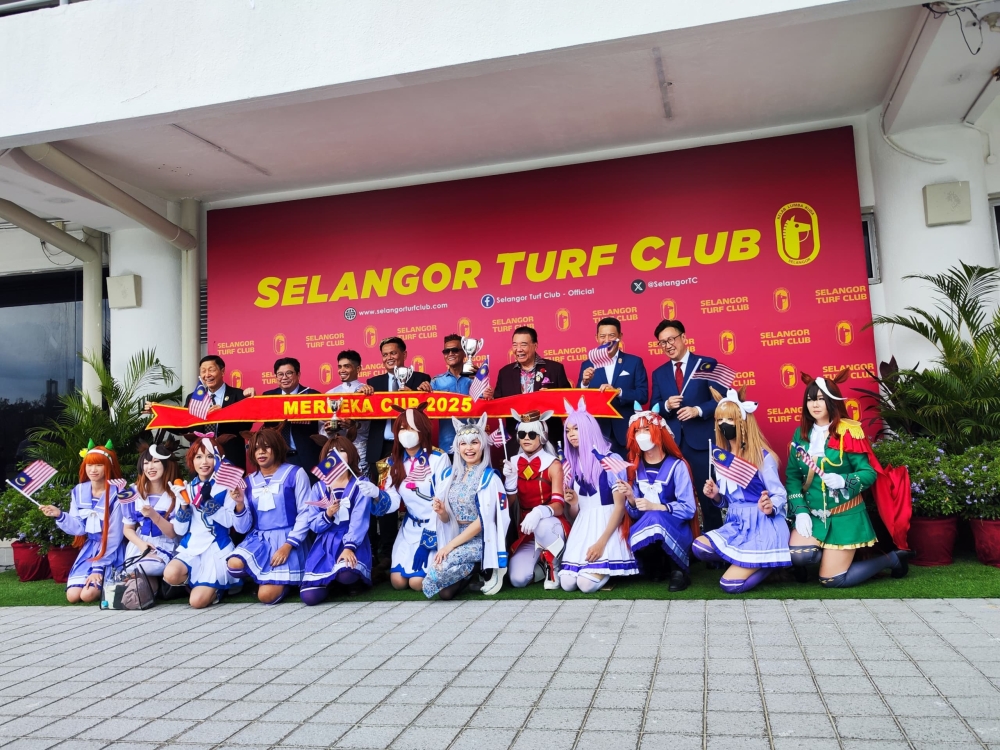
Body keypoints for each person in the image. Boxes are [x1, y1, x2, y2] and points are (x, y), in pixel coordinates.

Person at [786, 371, 912, 588]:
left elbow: (869, 473)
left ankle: (891, 559)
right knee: (800, 556)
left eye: (820, 399)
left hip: (845, 516)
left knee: (831, 580)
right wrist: (800, 511)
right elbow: (793, 477)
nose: (814, 405)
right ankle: (826, 553)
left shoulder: (849, 432)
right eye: (810, 399)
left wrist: (845, 480)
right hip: (813, 515)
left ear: (831, 401)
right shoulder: (801, 434)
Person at [690, 388, 790, 593]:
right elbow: (728, 501)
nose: (722, 424)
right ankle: (749, 560)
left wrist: (771, 505)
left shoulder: (762, 457)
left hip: (762, 524)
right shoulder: (722, 457)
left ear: (742, 422)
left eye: (729, 419)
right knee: (699, 547)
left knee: (730, 585)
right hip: (736, 523)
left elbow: (779, 494)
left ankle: (770, 564)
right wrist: (716, 495)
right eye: (719, 420)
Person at [649, 319, 728, 537]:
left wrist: (698, 410)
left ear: (684, 338)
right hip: (672, 445)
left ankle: (715, 545)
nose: (667, 345)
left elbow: (725, 399)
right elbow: (653, 407)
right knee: (674, 496)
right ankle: (684, 545)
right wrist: (666, 405)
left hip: (702, 442)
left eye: (671, 339)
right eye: (662, 342)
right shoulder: (659, 373)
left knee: (708, 494)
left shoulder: (707, 363)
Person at [424, 415, 511, 599]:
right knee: (445, 593)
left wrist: (448, 548)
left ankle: (482, 564)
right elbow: (448, 519)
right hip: (456, 536)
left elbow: (483, 522)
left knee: (438, 570)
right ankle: (473, 570)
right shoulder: (450, 475)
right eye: (463, 443)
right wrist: (441, 512)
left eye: (474, 442)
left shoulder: (490, 478)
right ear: (457, 447)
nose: (468, 448)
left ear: (483, 445)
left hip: (480, 539)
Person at [365, 337, 432, 571]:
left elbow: (428, 408)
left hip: (411, 448)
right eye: (385, 354)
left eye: (393, 353)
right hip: (384, 447)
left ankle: (425, 542)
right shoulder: (373, 382)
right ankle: (387, 550)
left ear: (404, 354)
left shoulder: (421, 379)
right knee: (386, 495)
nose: (389, 358)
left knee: (419, 490)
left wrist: (423, 392)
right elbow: (364, 410)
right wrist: (365, 393)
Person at [559, 397, 637, 593]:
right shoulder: (572, 465)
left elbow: (620, 508)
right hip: (582, 528)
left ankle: (609, 570)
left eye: (576, 428)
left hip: (607, 526)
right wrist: (574, 503)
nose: (571, 434)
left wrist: (601, 543)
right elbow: (576, 514)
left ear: (588, 429)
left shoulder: (611, 460)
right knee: (567, 584)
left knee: (585, 586)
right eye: (568, 430)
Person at [228, 428, 312, 605]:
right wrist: (240, 503)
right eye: (256, 448)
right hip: (260, 540)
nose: (261, 452)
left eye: (266, 447)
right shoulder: (249, 481)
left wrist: (288, 546)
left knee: (265, 597)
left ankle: (287, 581)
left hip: (288, 539)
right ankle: (266, 577)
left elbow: (306, 513)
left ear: (278, 448)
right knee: (234, 565)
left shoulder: (296, 473)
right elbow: (243, 528)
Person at [371, 404, 450, 591]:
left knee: (416, 583)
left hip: (436, 524)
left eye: (411, 427)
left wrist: (427, 542)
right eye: (401, 428)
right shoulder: (393, 462)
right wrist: (376, 494)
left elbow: (443, 501)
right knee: (397, 582)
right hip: (410, 526)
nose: (406, 432)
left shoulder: (439, 458)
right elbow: (393, 503)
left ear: (422, 429)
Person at [617, 407, 697, 591]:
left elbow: (688, 508)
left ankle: (678, 570)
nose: (642, 435)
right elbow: (635, 514)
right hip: (645, 528)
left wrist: (657, 506)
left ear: (658, 432)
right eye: (637, 431)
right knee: (651, 520)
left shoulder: (678, 466)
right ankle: (656, 564)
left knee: (657, 518)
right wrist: (630, 497)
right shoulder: (634, 468)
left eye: (647, 429)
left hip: (675, 527)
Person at [162, 434, 247, 608]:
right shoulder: (186, 487)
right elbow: (179, 530)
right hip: (191, 547)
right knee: (170, 574)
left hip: (217, 547)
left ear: (218, 459)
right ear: (192, 461)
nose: (204, 462)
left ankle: (217, 587)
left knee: (197, 602)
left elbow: (233, 523)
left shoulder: (228, 487)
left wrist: (210, 503)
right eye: (199, 457)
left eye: (210, 456)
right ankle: (195, 582)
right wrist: (184, 506)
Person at [38, 440, 126, 604]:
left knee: (87, 596)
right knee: (72, 596)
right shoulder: (79, 491)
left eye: (99, 465)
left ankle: (108, 582)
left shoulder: (117, 492)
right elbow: (79, 528)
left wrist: (98, 567)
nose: (93, 470)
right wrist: (59, 515)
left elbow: (115, 535)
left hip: (110, 551)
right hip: (89, 549)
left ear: (109, 467)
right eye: (89, 465)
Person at [300, 436, 381, 604]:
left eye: (341, 450)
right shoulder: (318, 487)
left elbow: (359, 520)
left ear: (351, 454)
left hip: (352, 541)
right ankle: (331, 582)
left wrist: (349, 547)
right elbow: (314, 524)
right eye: (331, 452)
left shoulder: (361, 484)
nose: (336, 455)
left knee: (347, 575)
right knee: (309, 597)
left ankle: (355, 579)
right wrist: (327, 514)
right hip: (325, 544)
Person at [502, 409, 569, 589]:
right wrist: (509, 484)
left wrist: (539, 512)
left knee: (543, 525)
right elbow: (510, 506)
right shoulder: (513, 462)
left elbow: (560, 506)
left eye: (532, 434)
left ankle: (553, 564)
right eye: (522, 433)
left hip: (549, 525)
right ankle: (541, 563)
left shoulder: (553, 464)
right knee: (518, 579)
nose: (526, 438)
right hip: (526, 531)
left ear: (542, 437)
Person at [483, 326, 572, 450]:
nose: (518, 349)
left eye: (523, 344)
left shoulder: (554, 369)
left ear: (535, 346)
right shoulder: (505, 373)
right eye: (515, 345)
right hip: (517, 440)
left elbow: (568, 403)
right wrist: (490, 397)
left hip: (549, 438)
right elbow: (499, 405)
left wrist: (552, 397)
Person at [577, 317, 649, 458]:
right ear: (596, 337)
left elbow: (643, 395)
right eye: (602, 336)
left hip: (626, 432)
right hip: (597, 432)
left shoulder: (634, 362)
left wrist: (618, 392)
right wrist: (584, 384)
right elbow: (580, 403)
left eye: (612, 335)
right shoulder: (587, 365)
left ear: (620, 337)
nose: (607, 340)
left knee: (629, 475)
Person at [120, 443, 180, 587]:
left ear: (166, 464)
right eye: (146, 463)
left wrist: (153, 515)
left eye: (155, 461)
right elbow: (128, 528)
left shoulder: (176, 493)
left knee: (149, 568)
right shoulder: (133, 492)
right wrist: (142, 545)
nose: (150, 467)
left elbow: (173, 533)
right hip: (140, 544)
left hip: (166, 543)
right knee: (140, 572)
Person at [182, 355, 253, 469]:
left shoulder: (239, 395)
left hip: (230, 457)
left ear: (222, 371)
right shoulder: (194, 398)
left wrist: (224, 414)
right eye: (203, 371)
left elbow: (246, 426)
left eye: (211, 370)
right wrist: (159, 414)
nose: (207, 375)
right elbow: (184, 425)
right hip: (201, 459)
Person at [263, 357, 321, 475]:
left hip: (306, 457)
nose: (284, 378)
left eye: (289, 373)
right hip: (278, 457)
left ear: (298, 374)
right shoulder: (268, 397)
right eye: (280, 374)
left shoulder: (312, 395)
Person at [419, 334, 472, 454]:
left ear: (464, 352)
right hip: (448, 444)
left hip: (473, 442)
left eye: (455, 350)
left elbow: (488, 404)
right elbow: (424, 411)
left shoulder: (476, 378)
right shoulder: (436, 382)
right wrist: (422, 392)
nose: (450, 354)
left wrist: (488, 392)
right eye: (446, 351)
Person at [322, 350, 371, 477]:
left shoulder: (367, 391)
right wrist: (329, 430)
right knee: (336, 485)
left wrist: (353, 425)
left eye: (347, 366)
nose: (342, 370)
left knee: (361, 486)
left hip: (361, 450)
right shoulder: (329, 395)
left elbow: (373, 427)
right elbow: (321, 428)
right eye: (339, 366)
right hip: (336, 450)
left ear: (358, 368)